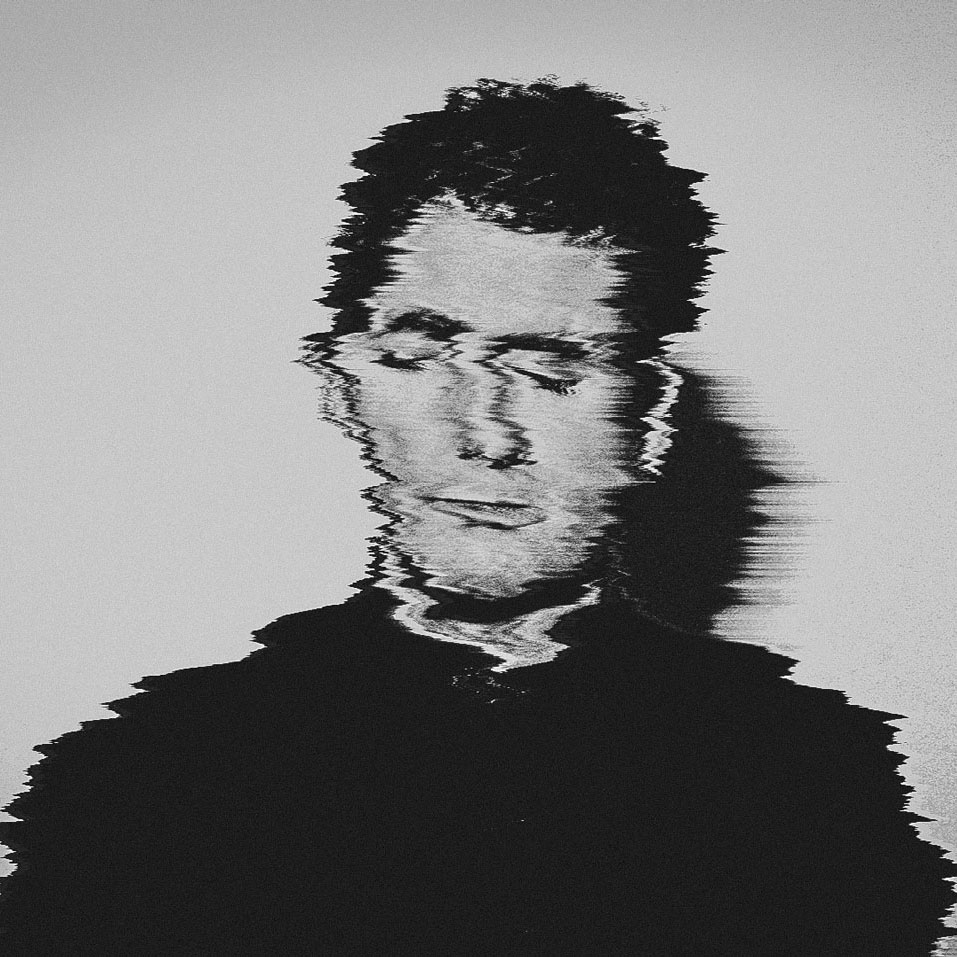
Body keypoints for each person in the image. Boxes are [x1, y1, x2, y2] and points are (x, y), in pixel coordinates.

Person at [0, 78, 953, 956]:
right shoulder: (148, 776)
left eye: (551, 370)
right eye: (420, 357)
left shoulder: (808, 782)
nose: (486, 435)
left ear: (651, 418)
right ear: (342, 386)